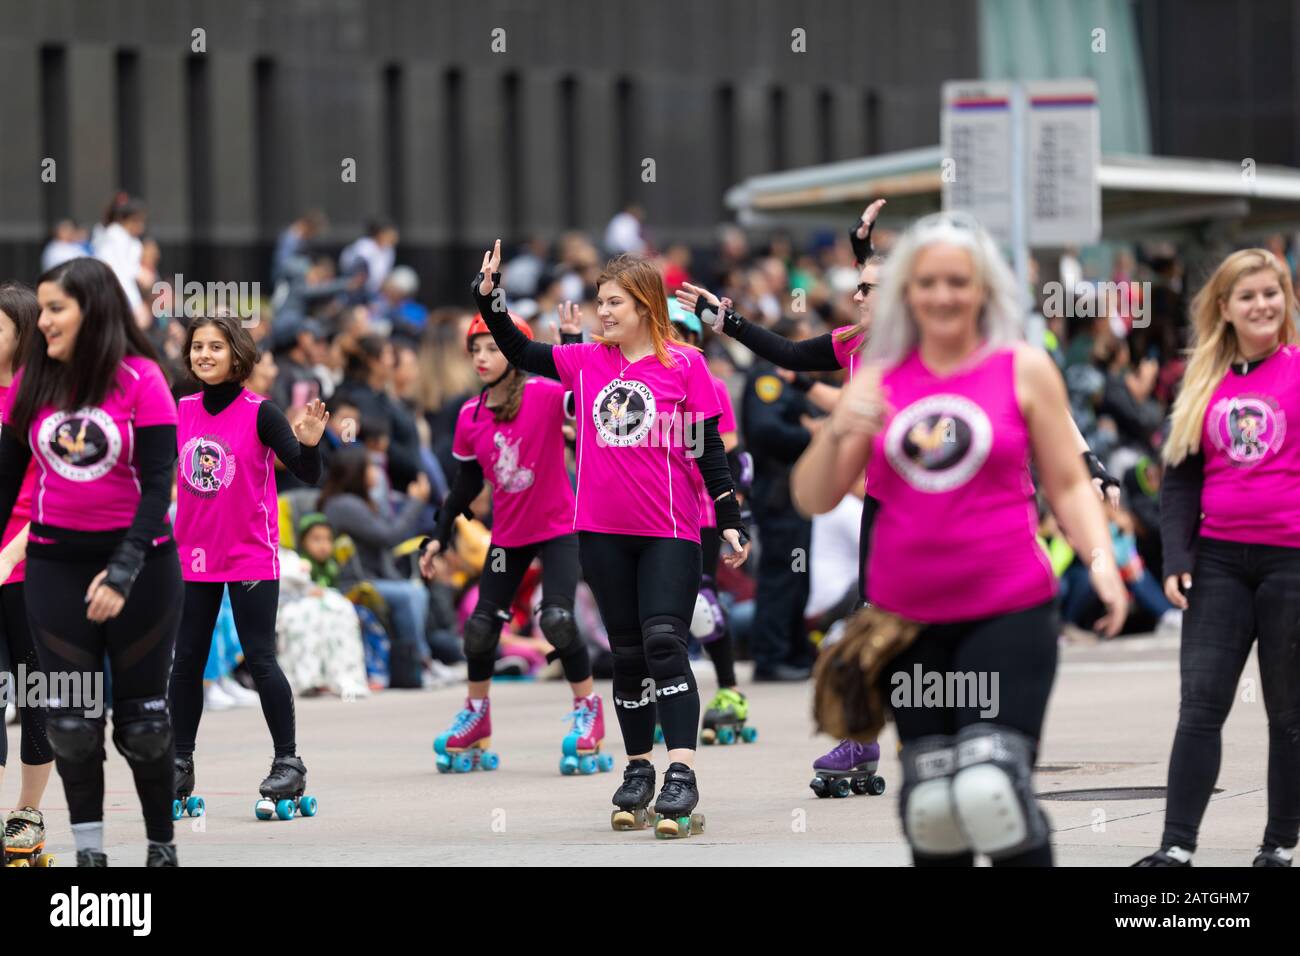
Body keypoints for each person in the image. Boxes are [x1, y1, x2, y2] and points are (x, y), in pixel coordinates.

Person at [790, 211, 1126, 866]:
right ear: (907, 293)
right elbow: (814, 496)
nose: (943, 295)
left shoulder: (1023, 368)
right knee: (934, 811)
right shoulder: (877, 374)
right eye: (928, 282)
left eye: (958, 281)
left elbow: (1065, 482)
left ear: (983, 290)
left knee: (989, 792)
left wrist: (1102, 561)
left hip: (1007, 610)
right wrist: (838, 430)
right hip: (904, 622)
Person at [472, 241, 750, 837]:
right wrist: (490, 298)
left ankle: (682, 770)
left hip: (669, 532)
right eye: (600, 302)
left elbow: (707, 449)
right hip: (600, 533)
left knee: (664, 645)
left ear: (646, 305)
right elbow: (519, 348)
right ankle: (639, 769)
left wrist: (728, 514)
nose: (603, 313)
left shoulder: (685, 367)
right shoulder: (586, 363)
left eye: (614, 303)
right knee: (626, 653)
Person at [0, 257, 185, 866]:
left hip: (141, 565)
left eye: (56, 309)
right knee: (73, 725)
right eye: (42, 309)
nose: (43, 321)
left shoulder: (142, 378)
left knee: (144, 725)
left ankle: (161, 849)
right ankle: (90, 857)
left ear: (93, 309)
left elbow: (159, 485)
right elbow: (7, 481)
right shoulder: (38, 384)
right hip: (55, 563)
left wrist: (126, 568)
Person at [1135, 249, 1300, 868]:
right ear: (1225, 308)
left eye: (1272, 293)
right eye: (1249, 295)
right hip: (1220, 565)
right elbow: (1177, 479)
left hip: (1292, 562)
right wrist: (1177, 554)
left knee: (1289, 715)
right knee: (1200, 708)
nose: (1262, 305)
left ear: (1285, 299)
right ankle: (1176, 848)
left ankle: (1279, 846)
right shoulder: (1199, 378)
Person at [417, 308, 604, 775]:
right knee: (480, 628)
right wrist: (437, 536)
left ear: (514, 353)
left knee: (557, 618)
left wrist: (571, 338)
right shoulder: (469, 414)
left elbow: (584, 395)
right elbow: (464, 486)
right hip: (509, 536)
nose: (481, 357)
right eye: (475, 349)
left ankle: (588, 711)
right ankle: (477, 716)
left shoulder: (544, 394)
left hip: (559, 527)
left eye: (492, 348)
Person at [168, 313, 327, 823]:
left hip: (250, 554)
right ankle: (178, 761)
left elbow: (304, 472)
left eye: (215, 346)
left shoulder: (262, 413)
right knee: (187, 661)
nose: (204, 355)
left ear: (238, 355)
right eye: (197, 347)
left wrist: (309, 443)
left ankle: (288, 762)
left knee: (261, 659)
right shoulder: (182, 409)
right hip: (194, 554)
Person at [665, 299, 755, 744]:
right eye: (668, 334)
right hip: (660, 511)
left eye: (682, 335)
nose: (675, 343)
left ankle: (730, 690)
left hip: (700, 510)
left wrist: (732, 513)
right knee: (664, 614)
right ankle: (666, 692)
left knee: (702, 604)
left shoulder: (710, 385)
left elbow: (730, 453)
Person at [0, 283, 54, 865]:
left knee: (37, 694)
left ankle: (27, 818)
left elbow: (54, 491)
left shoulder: (41, 401)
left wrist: (12, 554)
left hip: (29, 571)